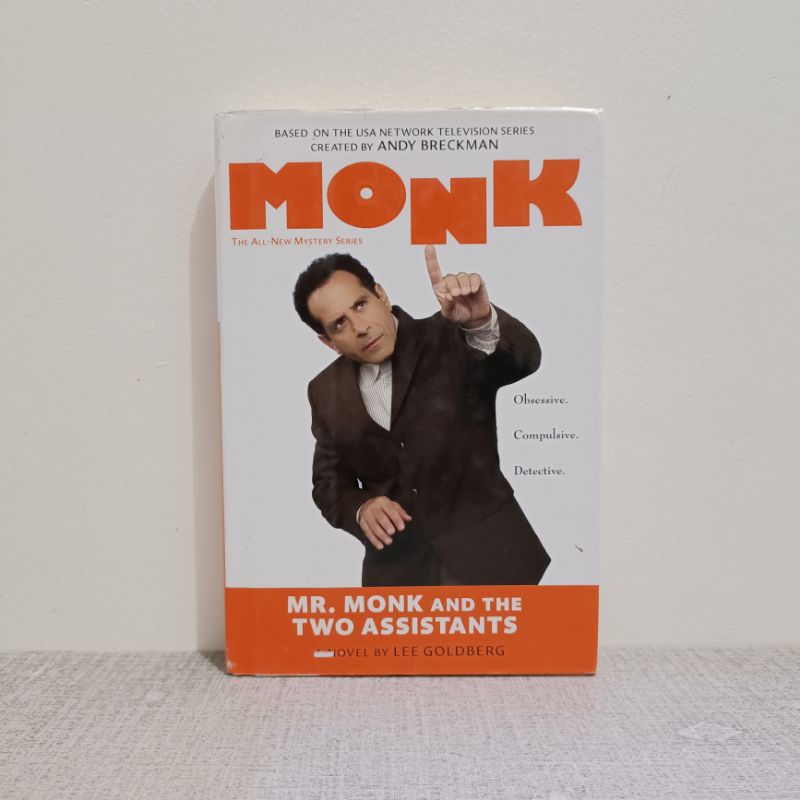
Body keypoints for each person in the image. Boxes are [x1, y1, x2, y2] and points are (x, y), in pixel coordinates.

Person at [293, 245, 550, 587]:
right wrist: (362, 507)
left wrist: (481, 321)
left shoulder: (450, 333)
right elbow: (329, 484)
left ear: (381, 295)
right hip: (399, 578)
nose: (360, 327)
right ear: (329, 342)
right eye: (340, 323)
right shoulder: (325, 390)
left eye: (360, 305)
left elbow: (525, 360)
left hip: (496, 561)